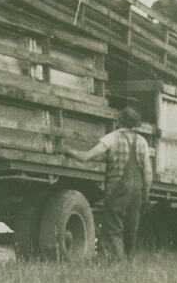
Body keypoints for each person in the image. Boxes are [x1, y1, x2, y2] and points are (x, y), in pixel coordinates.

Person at [64, 107, 152, 259]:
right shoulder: (142, 142)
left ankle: (116, 261)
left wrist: (69, 151)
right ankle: (129, 261)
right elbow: (148, 172)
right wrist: (146, 195)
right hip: (136, 192)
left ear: (119, 121)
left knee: (114, 228)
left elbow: (87, 157)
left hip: (118, 189)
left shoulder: (112, 138)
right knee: (131, 228)